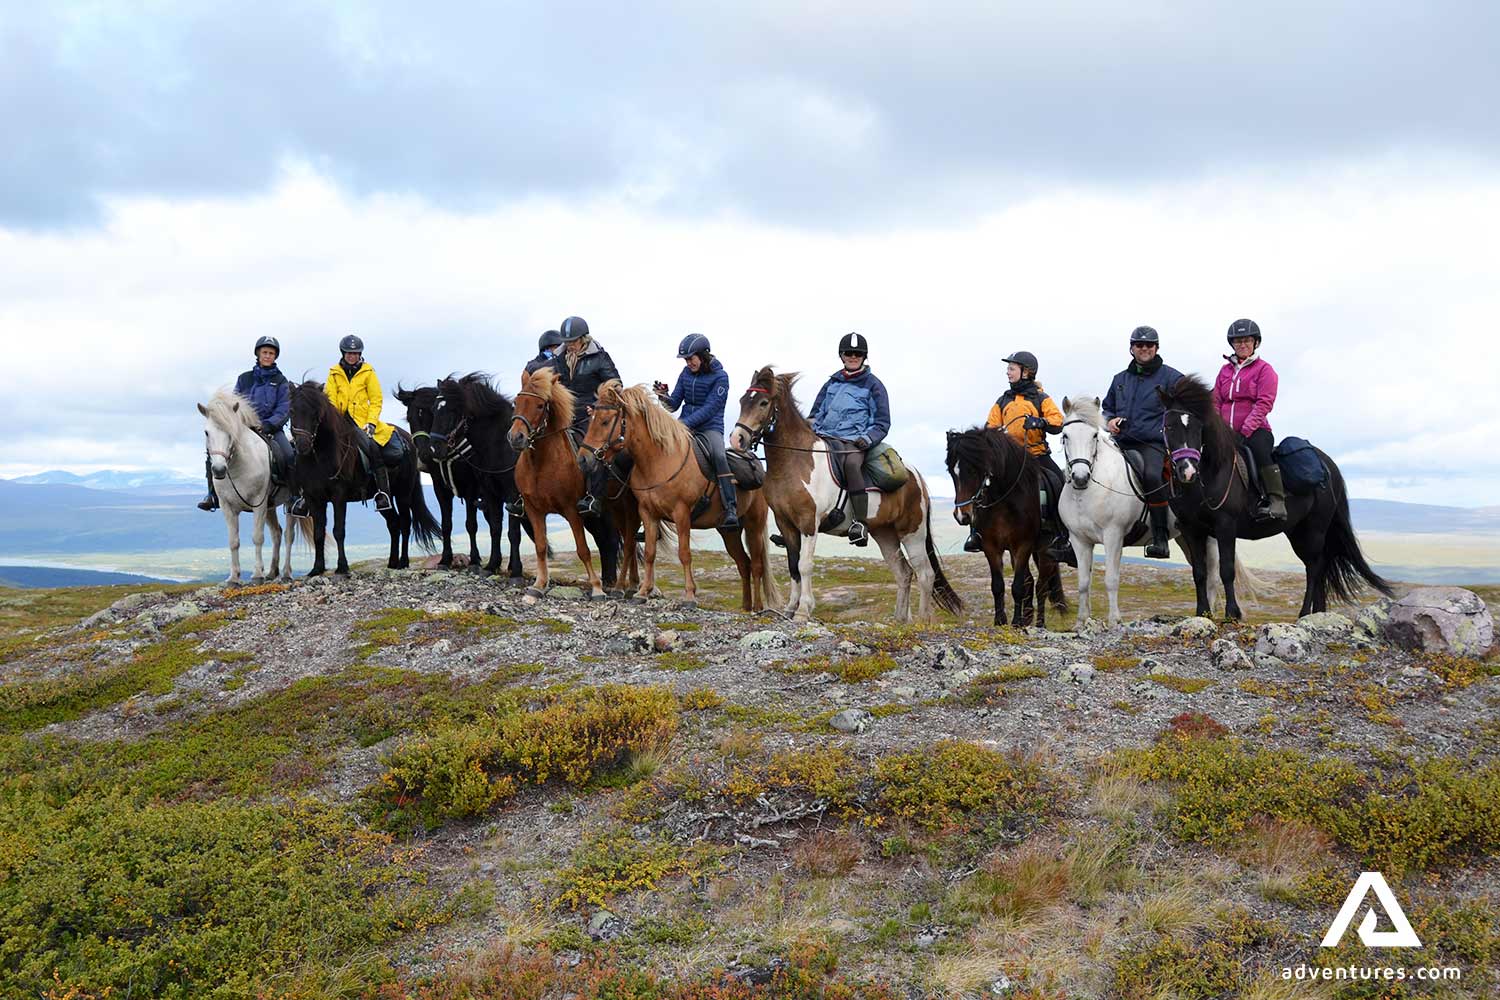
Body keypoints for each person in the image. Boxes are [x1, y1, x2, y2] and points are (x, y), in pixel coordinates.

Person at [969, 350, 1075, 566]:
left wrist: (1040, 423)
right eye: (1008, 368)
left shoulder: (1041, 398)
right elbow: (991, 425)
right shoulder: (1002, 400)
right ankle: (976, 533)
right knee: (980, 484)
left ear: (1026, 372)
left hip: (1037, 455)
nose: (1008, 372)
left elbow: (1058, 421)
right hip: (1010, 460)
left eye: (1012, 368)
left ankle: (1062, 538)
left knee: (1059, 482)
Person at [1101, 326, 1183, 558]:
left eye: (1149, 345)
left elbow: (1184, 409)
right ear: (1132, 348)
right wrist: (1109, 421)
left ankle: (1159, 538)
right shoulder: (1119, 379)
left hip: (1152, 443)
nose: (1144, 348)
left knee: (1151, 477)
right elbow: (1107, 408)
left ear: (1156, 348)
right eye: (1139, 345)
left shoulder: (1172, 377)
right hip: (1119, 443)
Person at [808, 332, 889, 547]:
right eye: (848, 353)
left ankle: (860, 524)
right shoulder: (831, 384)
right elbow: (815, 414)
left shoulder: (874, 385)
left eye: (857, 354)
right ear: (841, 356)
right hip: (825, 437)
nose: (853, 357)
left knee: (852, 465)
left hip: (855, 442)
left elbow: (882, 422)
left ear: (864, 357)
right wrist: (809, 431)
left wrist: (867, 438)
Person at [199, 336, 294, 511]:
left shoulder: (281, 381)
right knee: (214, 451)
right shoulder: (244, 379)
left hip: (271, 429)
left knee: (288, 455)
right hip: (244, 428)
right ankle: (212, 495)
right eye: (264, 352)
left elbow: (284, 408)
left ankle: (294, 495)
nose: (267, 356)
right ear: (258, 354)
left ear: (275, 356)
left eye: (271, 353)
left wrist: (268, 425)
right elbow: (234, 405)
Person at [654, 333, 738, 528]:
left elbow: (710, 409)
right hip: (685, 425)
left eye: (690, 358)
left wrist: (683, 425)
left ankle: (731, 508)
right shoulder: (685, 374)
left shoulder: (721, 377)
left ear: (703, 355)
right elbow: (674, 404)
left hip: (710, 428)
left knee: (719, 456)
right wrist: (663, 396)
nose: (688, 363)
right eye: (685, 359)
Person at [315, 334, 398, 512]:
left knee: (372, 448)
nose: (352, 356)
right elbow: (329, 398)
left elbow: (376, 400)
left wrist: (372, 423)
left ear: (360, 354)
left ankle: (383, 493)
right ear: (343, 353)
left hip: (361, 422)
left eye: (355, 353)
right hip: (338, 421)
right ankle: (308, 494)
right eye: (349, 353)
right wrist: (333, 420)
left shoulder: (368, 372)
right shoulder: (334, 373)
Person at [1213, 318, 1284, 520]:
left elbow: (1265, 403)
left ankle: (1276, 500)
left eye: (1246, 340)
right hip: (1225, 431)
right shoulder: (1224, 371)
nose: (1242, 345)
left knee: (1261, 451)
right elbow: (1215, 400)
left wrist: (1245, 430)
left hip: (1255, 430)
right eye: (1238, 341)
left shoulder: (1265, 370)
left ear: (1255, 343)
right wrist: (1218, 428)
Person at [551, 316, 622, 516]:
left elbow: (616, 385)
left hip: (589, 415)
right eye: (567, 342)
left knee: (593, 448)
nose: (570, 346)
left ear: (584, 338)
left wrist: (596, 406)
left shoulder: (599, 357)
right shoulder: (558, 358)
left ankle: (594, 497)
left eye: (573, 341)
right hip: (564, 414)